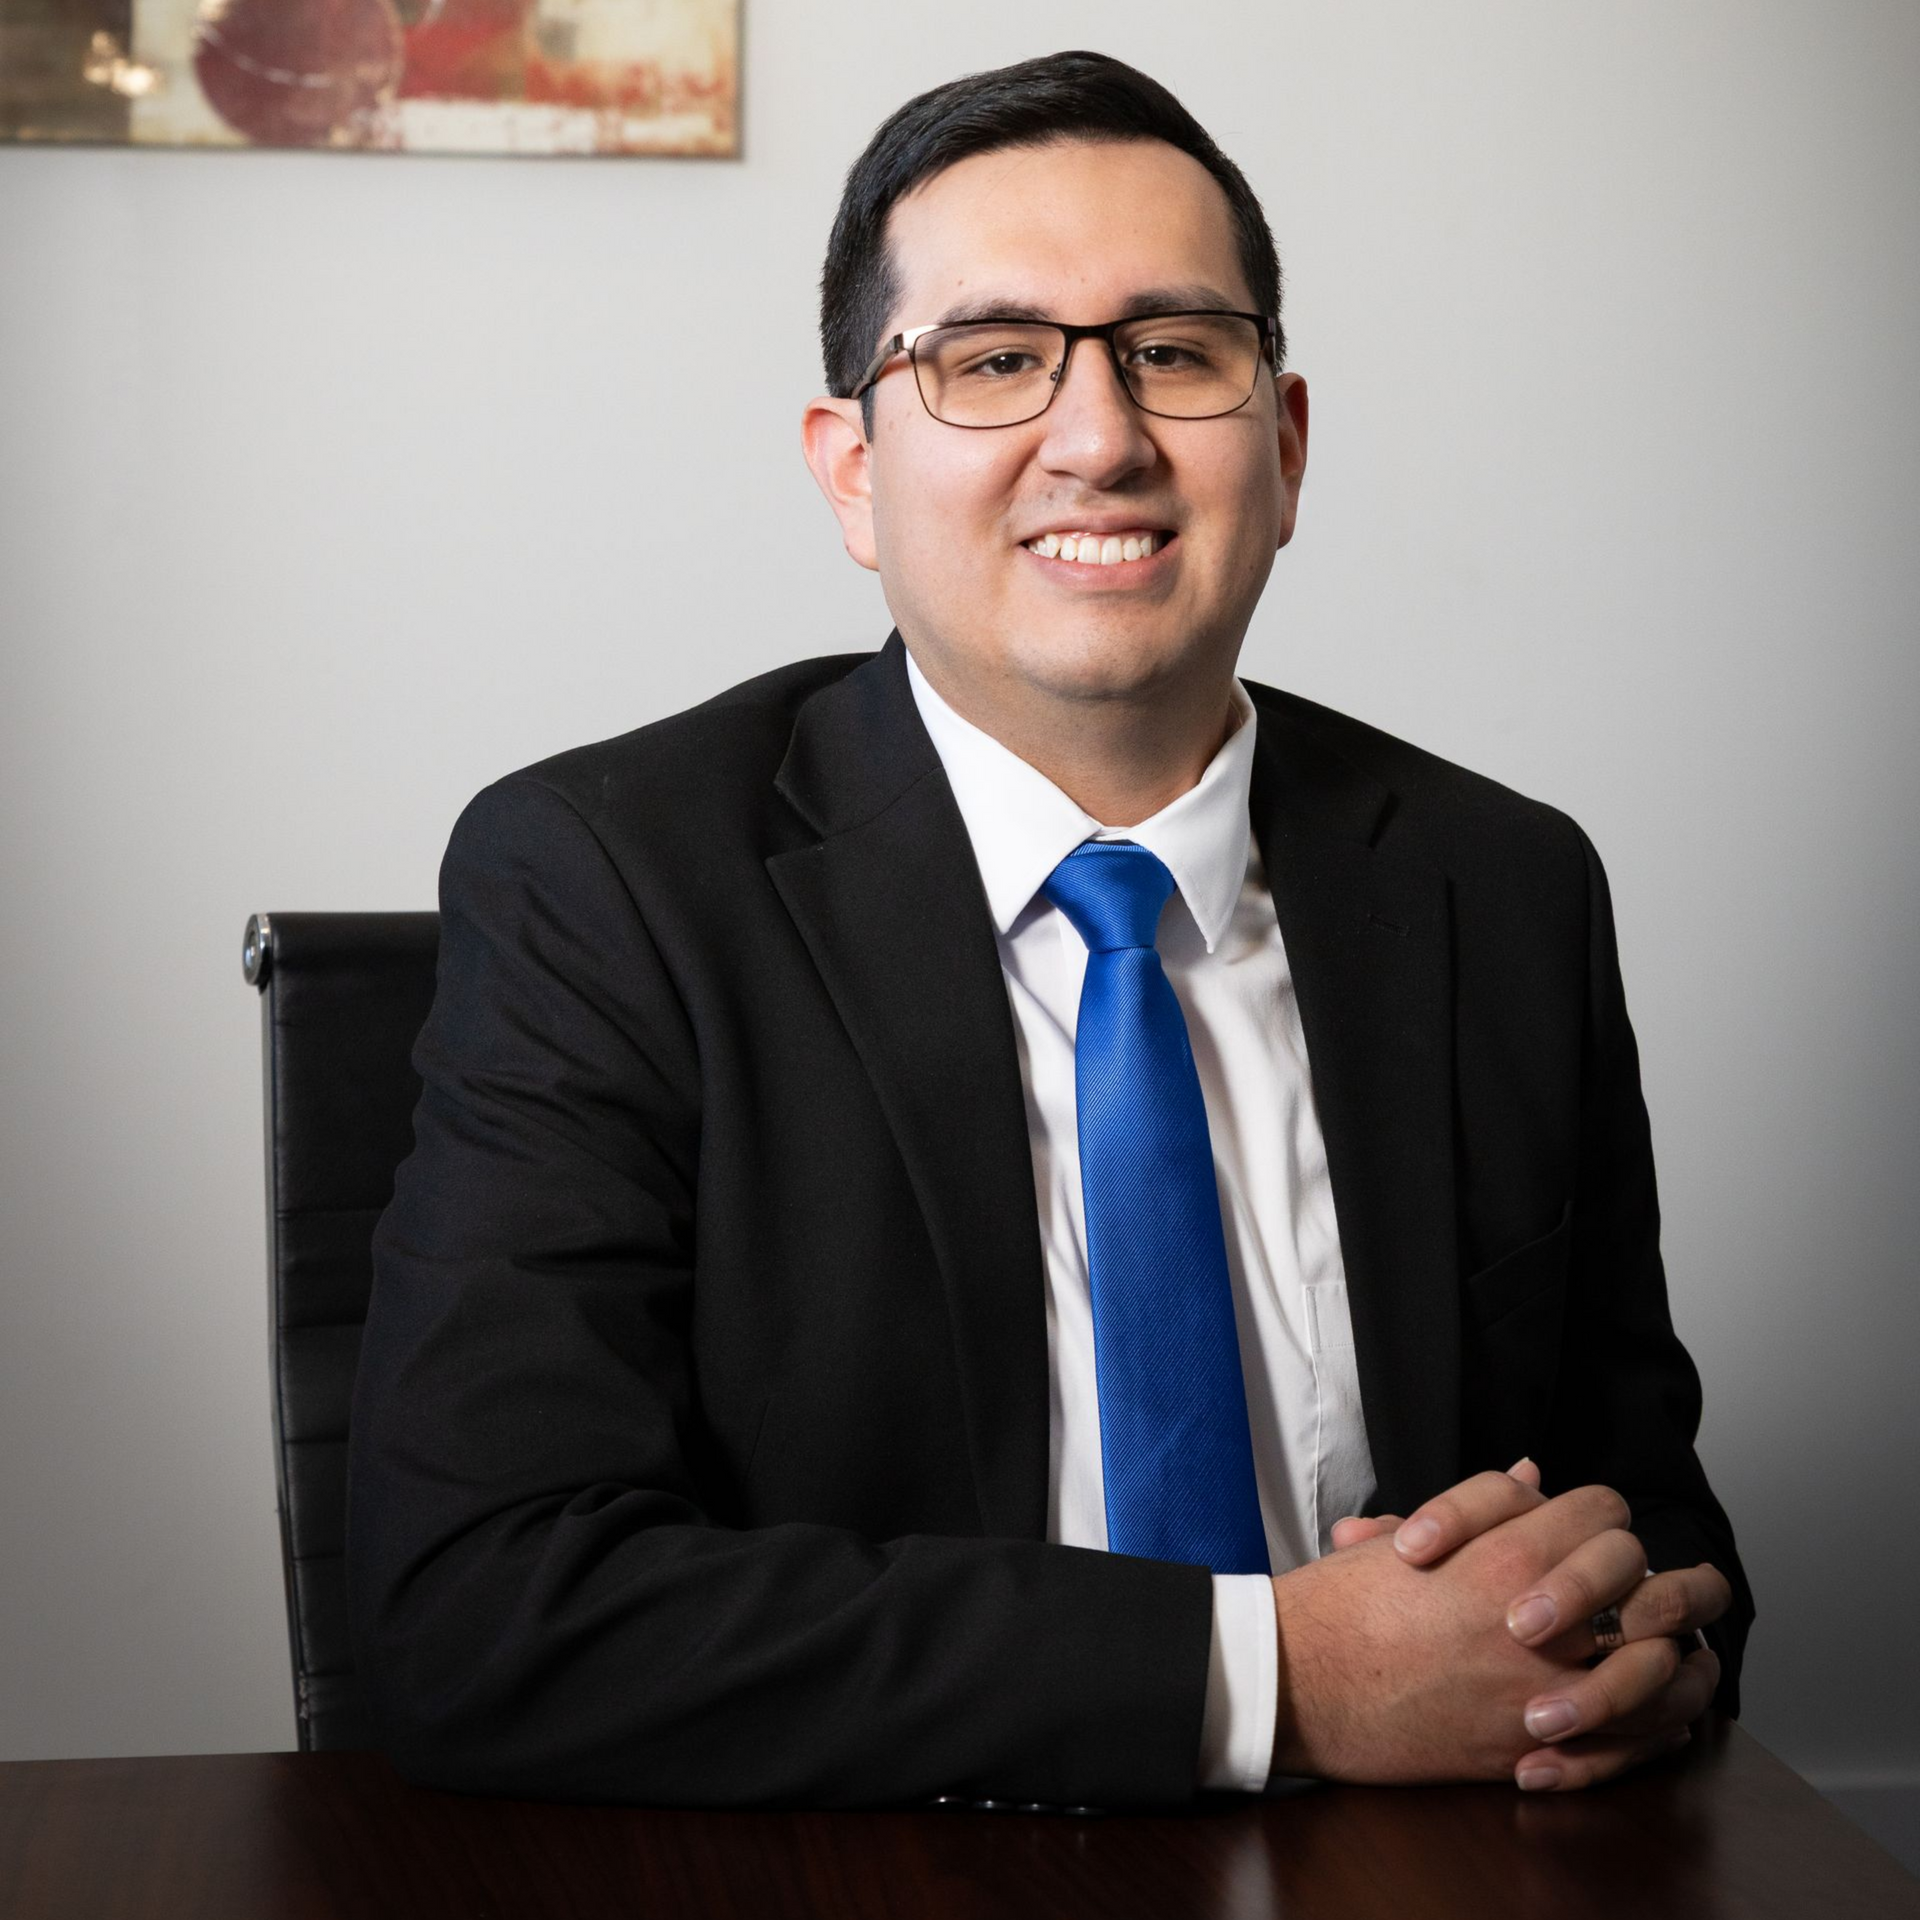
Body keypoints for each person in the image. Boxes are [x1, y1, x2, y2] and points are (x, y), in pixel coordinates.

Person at [347, 49, 1752, 1810]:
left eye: (1175, 352)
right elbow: (480, 1605)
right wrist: (1275, 1681)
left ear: (1286, 443)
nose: (1099, 439)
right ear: (853, 473)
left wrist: (1642, 1647)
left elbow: (1656, 1528)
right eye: (995, 360)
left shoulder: (1505, 886)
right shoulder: (606, 882)